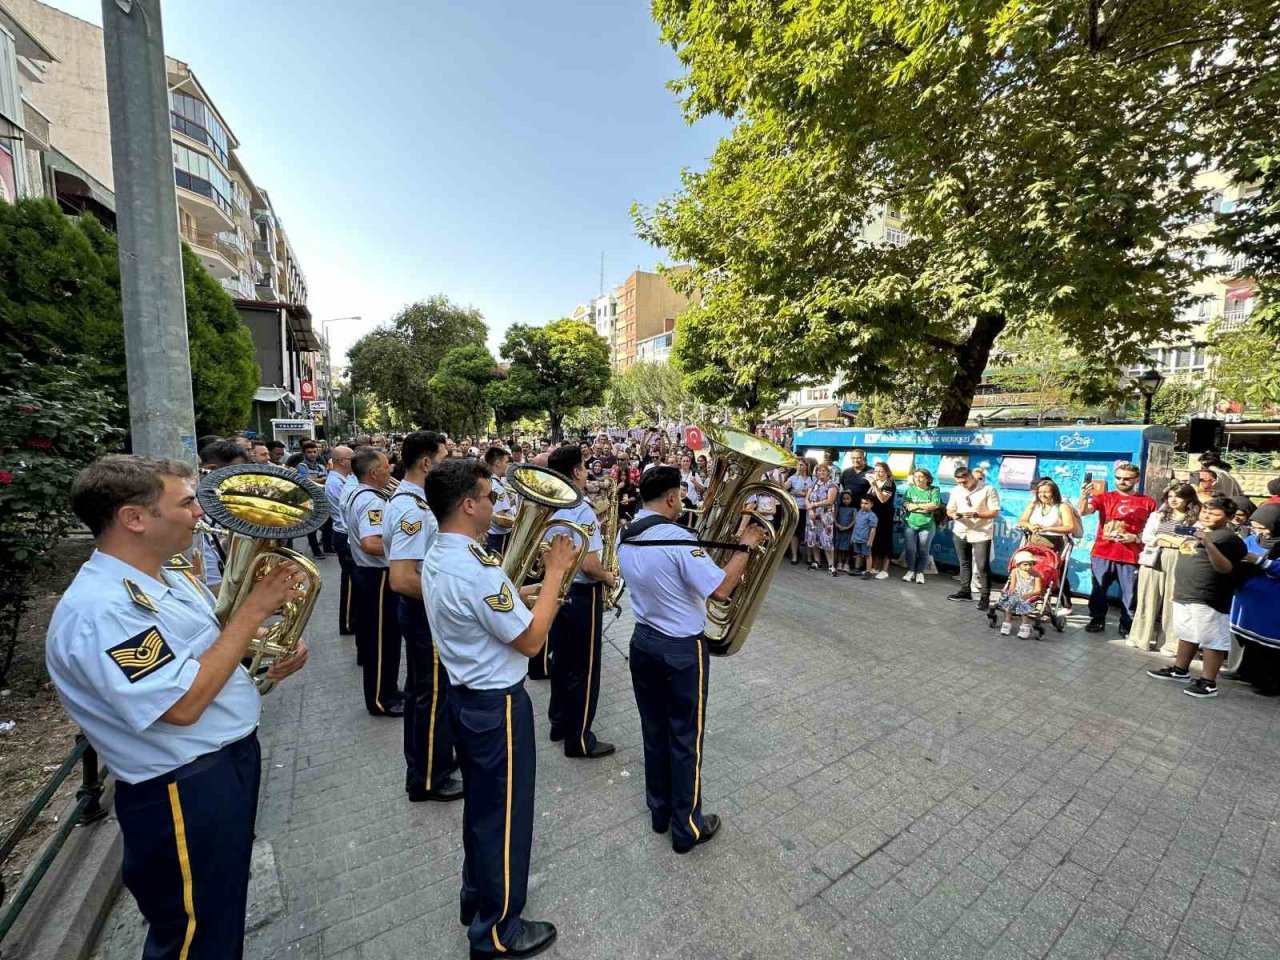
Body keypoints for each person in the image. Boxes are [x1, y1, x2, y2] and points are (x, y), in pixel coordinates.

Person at [46, 455, 308, 960]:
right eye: (186, 503)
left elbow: (206, 646)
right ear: (134, 518)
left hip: (219, 767)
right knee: (194, 935)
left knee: (218, 916)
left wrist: (265, 641)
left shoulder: (166, 576)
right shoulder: (103, 609)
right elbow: (182, 705)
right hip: (180, 789)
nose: (200, 513)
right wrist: (253, 610)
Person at [421, 458, 573, 960]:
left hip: (469, 699)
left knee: (484, 812)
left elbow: (486, 607)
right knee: (506, 819)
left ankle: (476, 897)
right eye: (489, 496)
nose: (496, 503)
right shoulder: (474, 569)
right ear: (468, 505)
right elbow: (530, 641)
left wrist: (524, 592)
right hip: (497, 708)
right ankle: (498, 931)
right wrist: (555, 574)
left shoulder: (444, 552)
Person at [616, 465, 764, 854]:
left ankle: (660, 811)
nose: (682, 502)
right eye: (680, 496)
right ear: (670, 498)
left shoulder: (625, 533)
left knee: (654, 730)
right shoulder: (679, 539)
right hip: (680, 650)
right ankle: (687, 827)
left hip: (643, 642)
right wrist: (745, 546)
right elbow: (721, 589)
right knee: (685, 737)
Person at [384, 431, 461, 802]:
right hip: (423, 612)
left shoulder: (416, 501)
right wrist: (453, 599)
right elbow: (402, 578)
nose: (449, 464)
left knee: (424, 693)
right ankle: (430, 777)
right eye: (445, 458)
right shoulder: (412, 509)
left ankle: (428, 760)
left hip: (423, 611)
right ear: (427, 463)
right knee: (432, 696)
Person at [542, 444, 620, 757]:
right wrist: (607, 576)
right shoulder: (579, 508)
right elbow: (589, 564)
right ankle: (580, 739)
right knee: (585, 669)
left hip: (557, 590)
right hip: (581, 593)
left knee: (562, 661)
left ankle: (559, 723)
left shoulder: (549, 503)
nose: (587, 473)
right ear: (576, 471)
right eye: (585, 467)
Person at [1147, 497, 1248, 698]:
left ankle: (1208, 683)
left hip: (1208, 597)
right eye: (1205, 511)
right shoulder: (1197, 532)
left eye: (1214, 513)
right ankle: (1180, 670)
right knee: (1187, 633)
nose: (1207, 516)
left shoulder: (1229, 539)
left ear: (1228, 517)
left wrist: (1209, 545)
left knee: (1212, 640)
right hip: (1185, 592)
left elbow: (1225, 568)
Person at [342, 446, 404, 717]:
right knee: (383, 642)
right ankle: (381, 699)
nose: (391, 469)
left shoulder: (361, 493)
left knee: (383, 640)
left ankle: (388, 690)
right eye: (387, 466)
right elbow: (371, 543)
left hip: (370, 576)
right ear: (374, 473)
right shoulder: (372, 501)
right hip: (377, 578)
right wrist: (406, 549)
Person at [1078, 462, 1158, 637]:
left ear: (1137, 479)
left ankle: (1127, 624)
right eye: (1118, 478)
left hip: (1131, 555)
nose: (1122, 481)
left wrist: (1135, 537)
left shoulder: (1148, 502)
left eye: (1127, 478)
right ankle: (1097, 619)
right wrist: (1084, 496)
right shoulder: (1104, 497)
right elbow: (1083, 512)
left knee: (1130, 594)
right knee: (1098, 590)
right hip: (1103, 553)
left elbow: (1155, 530)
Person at [1131, 484, 1199, 653]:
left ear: (1188, 499)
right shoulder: (1158, 515)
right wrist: (1171, 540)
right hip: (1153, 558)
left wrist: (1163, 537)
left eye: (1178, 496)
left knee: (1173, 602)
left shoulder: (1195, 520)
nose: (1173, 500)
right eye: (1170, 496)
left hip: (1180, 559)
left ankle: (1171, 643)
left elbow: (1192, 543)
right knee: (1146, 599)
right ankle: (1140, 637)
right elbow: (1148, 538)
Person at [1229, 504, 1280, 696]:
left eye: (1263, 528)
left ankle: (1270, 683)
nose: (1259, 532)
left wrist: (1260, 561)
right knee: (1248, 639)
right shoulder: (1251, 539)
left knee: (1268, 644)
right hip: (1247, 597)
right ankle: (1243, 672)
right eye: (1255, 527)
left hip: (1272, 602)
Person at [947, 467, 1001, 611]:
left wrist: (977, 514)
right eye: (959, 482)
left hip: (981, 532)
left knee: (982, 565)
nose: (962, 485)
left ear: (972, 477)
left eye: (964, 482)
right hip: (961, 530)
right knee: (964, 563)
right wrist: (954, 515)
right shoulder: (956, 490)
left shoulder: (988, 489)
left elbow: (994, 512)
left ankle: (985, 597)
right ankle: (965, 591)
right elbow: (950, 509)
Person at [325, 446, 358, 637]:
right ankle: (347, 622)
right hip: (343, 534)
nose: (355, 461)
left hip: (345, 533)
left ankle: (353, 619)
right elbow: (347, 511)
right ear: (341, 461)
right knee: (350, 581)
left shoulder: (344, 479)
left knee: (353, 579)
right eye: (351, 458)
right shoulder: (335, 483)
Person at [901, 468, 941, 584]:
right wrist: (923, 508)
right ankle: (910, 571)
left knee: (923, 550)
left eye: (921, 477)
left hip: (927, 525)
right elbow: (906, 504)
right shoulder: (910, 489)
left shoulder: (934, 490)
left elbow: (935, 504)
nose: (917, 479)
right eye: (915, 477)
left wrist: (916, 506)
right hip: (910, 524)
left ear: (927, 479)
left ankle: (920, 573)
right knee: (910, 549)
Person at [1016, 479, 1078, 553]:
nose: (1042, 495)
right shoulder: (1034, 505)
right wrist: (1030, 526)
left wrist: (1048, 529)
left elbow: (1070, 527)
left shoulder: (1062, 506)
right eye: (1040, 492)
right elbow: (1022, 521)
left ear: (1054, 493)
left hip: (1053, 547)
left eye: (1046, 492)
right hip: (1032, 545)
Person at [995, 550, 1044, 638]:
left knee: (1023, 605)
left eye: (1031, 564)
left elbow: (1038, 590)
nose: (1028, 567)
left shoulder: (1036, 574)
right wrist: (1011, 592)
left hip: (1029, 594)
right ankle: (1006, 623)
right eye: (1025, 564)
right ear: (1018, 565)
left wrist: (1029, 594)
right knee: (1010, 602)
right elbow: (1012, 585)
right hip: (1017, 593)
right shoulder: (1015, 571)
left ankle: (1025, 626)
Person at [805, 462, 839, 573]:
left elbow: (830, 500)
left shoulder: (832, 485)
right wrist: (810, 510)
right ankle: (817, 562)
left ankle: (831, 565)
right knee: (814, 538)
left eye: (823, 470)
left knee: (827, 540)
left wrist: (814, 505)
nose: (821, 472)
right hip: (812, 516)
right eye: (819, 470)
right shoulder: (814, 483)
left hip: (825, 516)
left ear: (828, 472)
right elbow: (807, 498)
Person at [867, 462, 897, 579]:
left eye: (881, 471)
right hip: (873, 516)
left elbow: (883, 499)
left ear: (887, 472)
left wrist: (874, 485)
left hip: (885, 517)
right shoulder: (875, 482)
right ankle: (875, 567)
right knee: (875, 542)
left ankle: (885, 570)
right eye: (876, 471)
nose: (878, 473)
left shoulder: (889, 483)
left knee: (885, 542)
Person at [484, 445, 514, 556]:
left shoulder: (488, 481)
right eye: (507, 462)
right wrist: (520, 525)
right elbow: (500, 520)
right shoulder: (497, 488)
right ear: (497, 463)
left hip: (492, 536)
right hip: (498, 538)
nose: (508, 466)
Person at [785, 461, 813, 564]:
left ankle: (809, 557)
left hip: (808, 508)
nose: (799, 466)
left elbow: (814, 492)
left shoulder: (812, 479)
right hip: (796, 507)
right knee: (795, 532)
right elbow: (784, 486)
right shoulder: (793, 478)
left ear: (806, 466)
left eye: (801, 465)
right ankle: (794, 556)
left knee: (807, 532)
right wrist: (780, 475)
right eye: (798, 465)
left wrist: (804, 494)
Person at [852, 493, 878, 579]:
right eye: (862, 503)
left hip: (865, 539)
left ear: (872, 504)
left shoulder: (872, 515)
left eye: (866, 503)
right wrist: (853, 536)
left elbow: (873, 529)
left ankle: (868, 571)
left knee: (867, 555)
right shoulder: (859, 512)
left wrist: (870, 540)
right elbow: (856, 525)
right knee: (858, 554)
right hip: (857, 538)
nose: (863, 505)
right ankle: (857, 569)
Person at [833, 490, 856, 573]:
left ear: (852, 499)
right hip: (839, 530)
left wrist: (847, 527)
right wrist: (837, 524)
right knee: (839, 547)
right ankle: (839, 562)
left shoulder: (853, 509)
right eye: (844, 499)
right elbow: (834, 517)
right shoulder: (839, 508)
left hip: (848, 531)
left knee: (847, 548)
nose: (845, 500)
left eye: (848, 499)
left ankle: (846, 563)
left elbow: (854, 520)